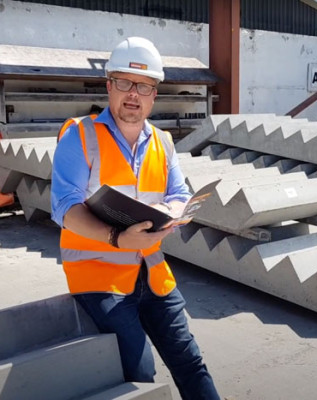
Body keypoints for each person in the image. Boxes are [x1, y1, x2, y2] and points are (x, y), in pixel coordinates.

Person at [51, 36, 220, 400]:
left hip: (154, 273)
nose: (133, 94)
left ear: (154, 93)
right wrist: (116, 238)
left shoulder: (163, 142)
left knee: (190, 361)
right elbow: (64, 207)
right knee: (140, 372)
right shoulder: (79, 136)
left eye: (144, 86)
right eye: (124, 82)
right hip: (99, 275)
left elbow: (179, 194)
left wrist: (173, 215)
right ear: (109, 85)